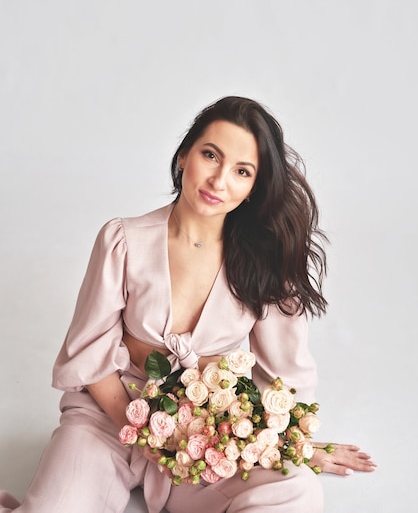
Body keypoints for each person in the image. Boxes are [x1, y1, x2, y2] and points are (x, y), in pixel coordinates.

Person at [0, 96, 376, 513]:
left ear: (254, 187)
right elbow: (89, 355)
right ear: (183, 156)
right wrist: (149, 434)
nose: (219, 180)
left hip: (209, 439)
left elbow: (285, 376)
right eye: (210, 155)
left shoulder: (265, 262)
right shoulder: (123, 241)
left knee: (297, 489)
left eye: (242, 171)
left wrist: (288, 443)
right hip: (108, 420)